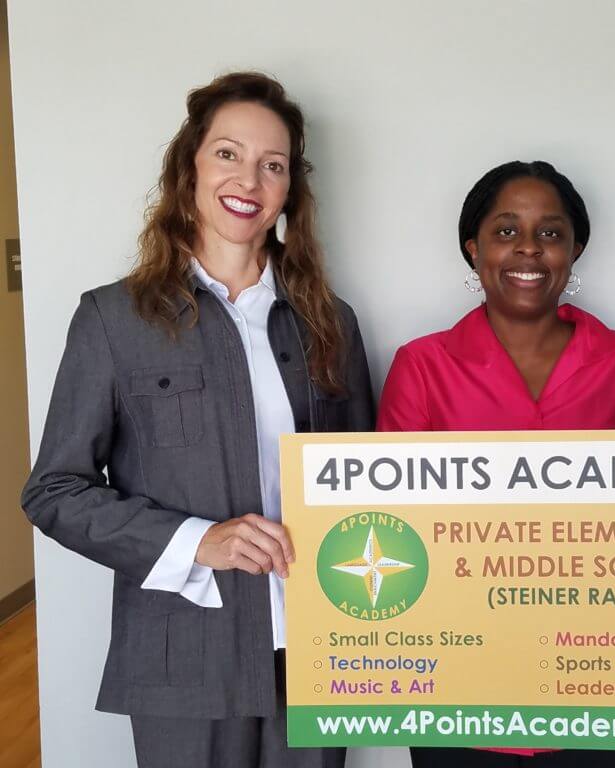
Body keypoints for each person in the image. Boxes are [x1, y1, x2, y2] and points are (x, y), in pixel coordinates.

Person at [21, 72, 373, 768]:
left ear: (289, 193)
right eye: (227, 154)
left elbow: (368, 485)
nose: (249, 177)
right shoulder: (113, 320)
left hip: (317, 651)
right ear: (188, 170)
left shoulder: (332, 325)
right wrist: (196, 541)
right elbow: (54, 490)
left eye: (273, 165)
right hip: (183, 660)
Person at [378, 160, 615, 766]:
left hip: (592, 685)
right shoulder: (422, 366)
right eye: (506, 230)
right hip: (457, 688)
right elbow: (393, 524)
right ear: (474, 248)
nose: (529, 249)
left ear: (575, 248)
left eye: (551, 232)